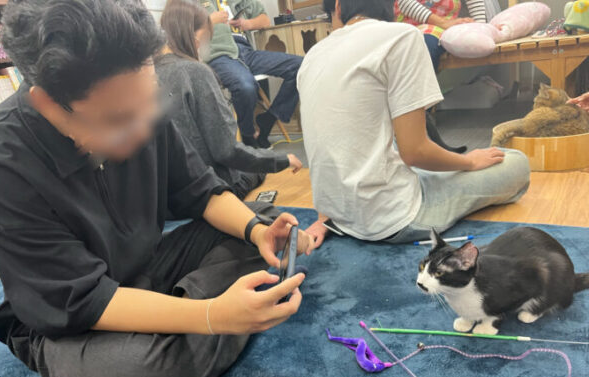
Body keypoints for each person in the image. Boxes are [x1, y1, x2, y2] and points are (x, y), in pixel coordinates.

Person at [0, 0, 314, 377]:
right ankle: (202, 317)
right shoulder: (1, 162)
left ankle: (185, 319)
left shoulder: (137, 101)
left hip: (143, 268)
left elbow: (201, 191)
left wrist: (255, 231)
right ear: (48, 105)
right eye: (121, 120)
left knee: (265, 223)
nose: (145, 130)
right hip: (71, 317)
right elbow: (82, 299)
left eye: (150, 105)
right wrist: (211, 316)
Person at [299, 0, 530, 248]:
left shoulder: (313, 54)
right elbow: (415, 152)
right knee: (516, 162)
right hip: (392, 218)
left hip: (335, 213)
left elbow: (324, 145)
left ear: (337, 7)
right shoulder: (402, 36)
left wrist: (326, 216)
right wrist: (469, 162)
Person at [156, 0, 302, 200]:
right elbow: (227, 151)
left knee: (297, 65)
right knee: (255, 172)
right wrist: (281, 160)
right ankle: (250, 137)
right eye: (205, 39)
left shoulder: (151, 72)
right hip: (210, 188)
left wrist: (247, 23)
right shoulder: (198, 72)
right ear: (195, 37)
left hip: (171, 195)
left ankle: (267, 121)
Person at [202, 0, 303, 149]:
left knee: (300, 66)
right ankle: (248, 134)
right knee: (245, 86)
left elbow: (265, 20)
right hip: (220, 55)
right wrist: (210, 21)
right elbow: (182, 30)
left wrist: (247, 24)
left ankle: (269, 119)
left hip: (247, 53)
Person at [395, 0, 487, 72]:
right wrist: (443, 23)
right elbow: (404, 3)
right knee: (424, 48)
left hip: (448, 27)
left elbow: (475, 2)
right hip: (411, 25)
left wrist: (481, 29)